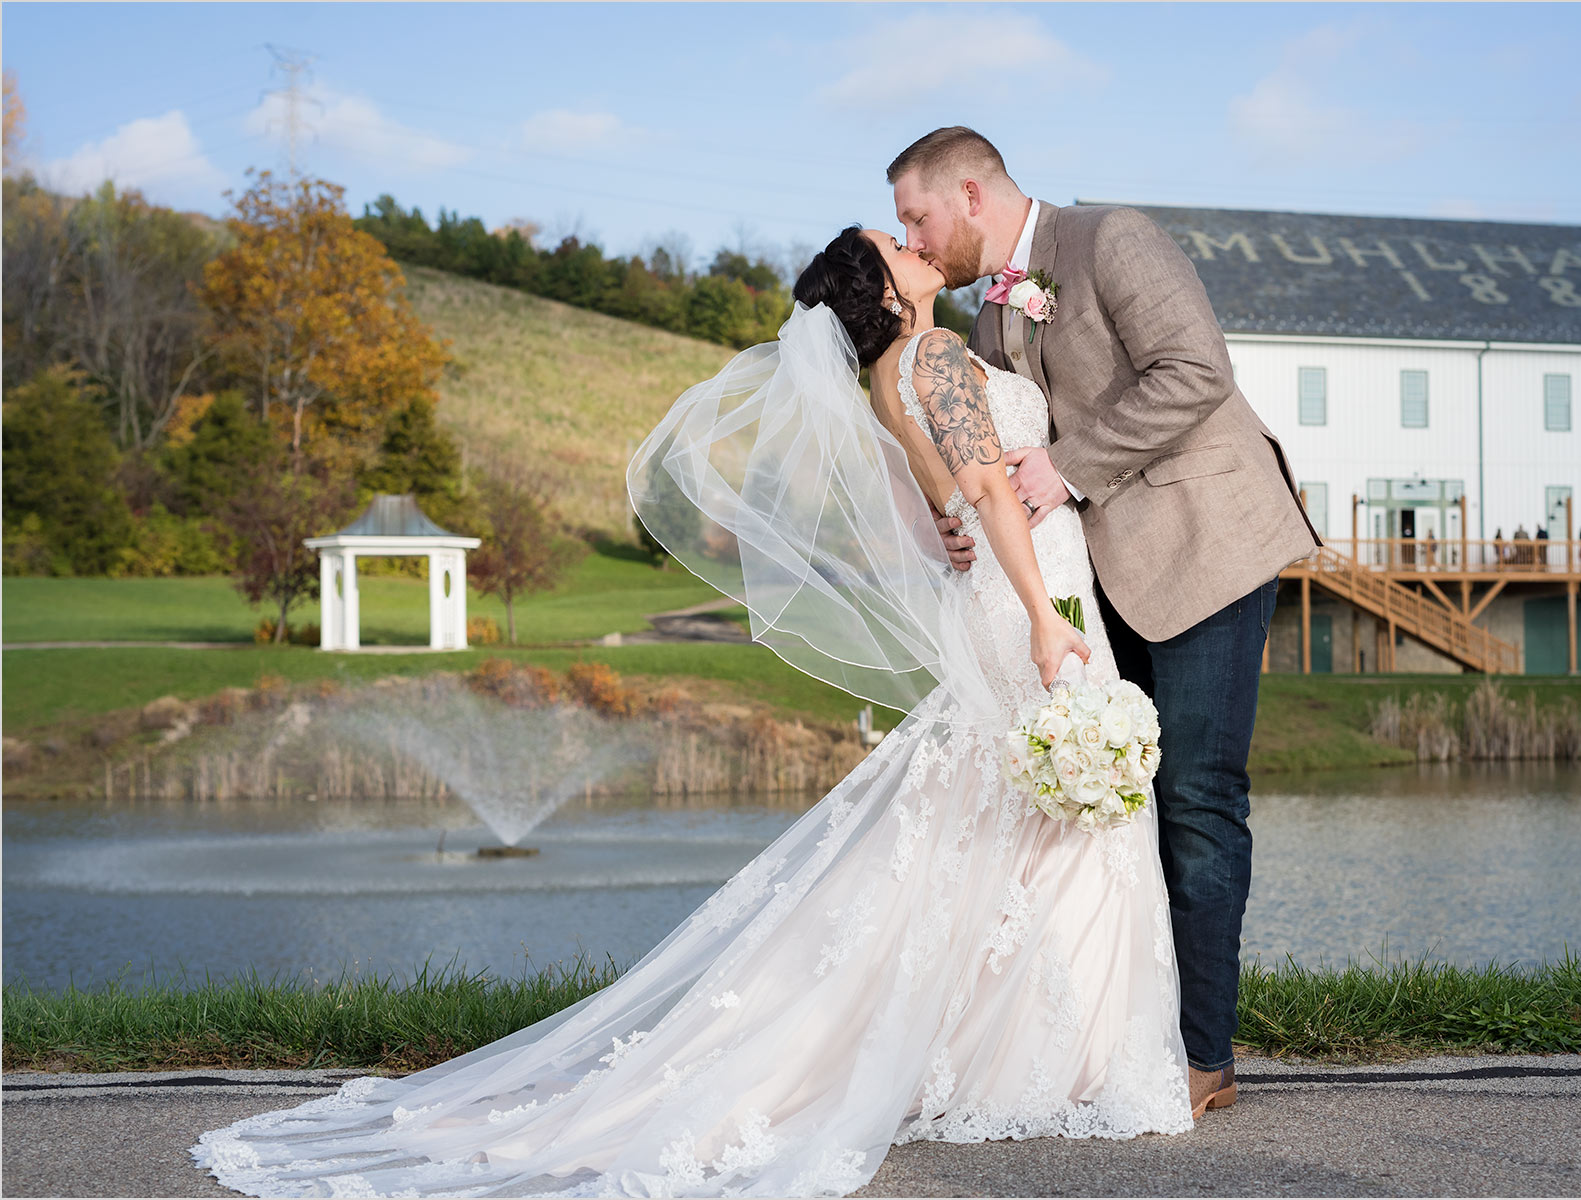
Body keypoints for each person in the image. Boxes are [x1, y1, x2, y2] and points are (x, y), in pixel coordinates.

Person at [192, 228, 1193, 1197]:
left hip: (997, 593)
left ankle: (1022, 1052)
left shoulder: (885, 383)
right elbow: (986, 487)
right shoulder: (932, 353)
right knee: (1059, 815)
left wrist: (982, 553)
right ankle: (1066, 1059)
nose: (911, 240)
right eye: (893, 246)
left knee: (1008, 821)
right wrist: (1040, 619)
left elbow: (945, 512)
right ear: (887, 295)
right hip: (1032, 597)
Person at [889, 127, 1319, 1119]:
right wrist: (963, 519)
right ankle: (1121, 1032)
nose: (913, 236)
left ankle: (1205, 1057)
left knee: (1201, 798)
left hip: (1208, 544)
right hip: (1100, 579)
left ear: (967, 193)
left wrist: (1069, 465)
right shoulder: (990, 311)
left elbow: (1194, 372)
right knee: (1117, 809)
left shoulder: (1110, 237)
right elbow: (994, 450)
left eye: (916, 215)